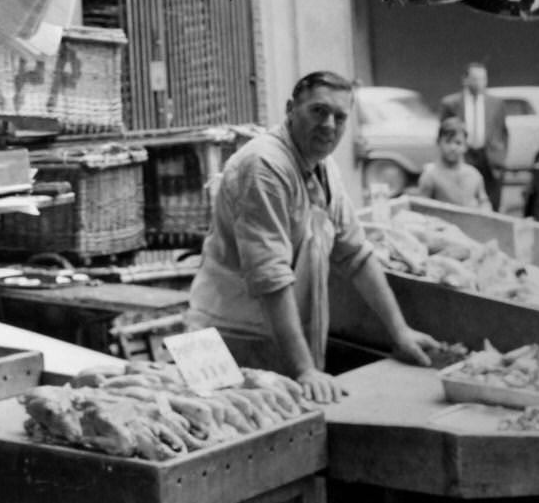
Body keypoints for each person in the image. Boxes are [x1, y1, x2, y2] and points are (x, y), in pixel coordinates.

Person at [186, 71, 435, 404]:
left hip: (275, 341)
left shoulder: (323, 164)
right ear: (291, 109)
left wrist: (400, 332)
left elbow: (356, 255)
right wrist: (304, 369)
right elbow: (270, 276)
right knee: (232, 436)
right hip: (227, 340)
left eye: (340, 117)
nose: (329, 124)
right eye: (318, 111)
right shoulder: (264, 165)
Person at [439, 62, 509, 211]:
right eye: (475, 79)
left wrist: (501, 157)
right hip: (465, 155)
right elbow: (443, 134)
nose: (480, 83)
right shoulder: (451, 104)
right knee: (466, 202)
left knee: (492, 203)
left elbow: (503, 132)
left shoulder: (496, 103)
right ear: (465, 80)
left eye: (483, 79)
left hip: (490, 159)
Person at [415, 118, 492, 210]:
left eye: (458, 143)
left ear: (466, 146)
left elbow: (484, 201)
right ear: (438, 142)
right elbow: (421, 209)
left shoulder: (473, 174)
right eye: (448, 142)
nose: (452, 147)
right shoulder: (430, 176)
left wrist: (485, 209)